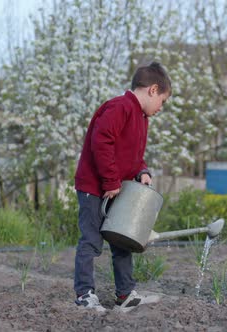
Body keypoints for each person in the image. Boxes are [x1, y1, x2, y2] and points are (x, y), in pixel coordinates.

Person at [73, 62, 171, 312]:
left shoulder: (141, 117)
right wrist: (110, 180)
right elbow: (101, 141)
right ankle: (84, 295)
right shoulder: (120, 107)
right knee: (91, 241)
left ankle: (125, 295)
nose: (161, 107)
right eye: (163, 100)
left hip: (116, 188)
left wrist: (142, 171)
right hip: (95, 188)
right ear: (153, 90)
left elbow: (132, 154)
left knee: (123, 240)